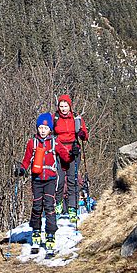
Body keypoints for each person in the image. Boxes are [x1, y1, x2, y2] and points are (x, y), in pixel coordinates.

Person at [15, 113, 70, 257]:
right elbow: (26, 160)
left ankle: (50, 234)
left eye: (45, 127)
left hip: (51, 179)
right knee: (37, 205)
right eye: (40, 127)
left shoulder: (54, 142)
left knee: (49, 206)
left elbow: (65, 156)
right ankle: (36, 231)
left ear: (50, 129)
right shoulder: (32, 143)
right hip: (37, 179)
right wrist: (21, 169)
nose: (43, 130)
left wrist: (72, 153)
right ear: (37, 128)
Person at [52, 94, 89, 227]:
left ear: (70, 106)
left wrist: (82, 134)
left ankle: (73, 208)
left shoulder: (76, 118)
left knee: (73, 181)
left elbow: (85, 135)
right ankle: (59, 204)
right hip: (58, 152)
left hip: (74, 151)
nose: (63, 109)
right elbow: (48, 132)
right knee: (59, 181)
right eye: (61, 106)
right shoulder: (54, 118)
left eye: (65, 106)